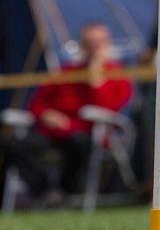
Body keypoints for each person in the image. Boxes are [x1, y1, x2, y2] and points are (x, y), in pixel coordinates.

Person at [0, 22, 132, 204]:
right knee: (13, 144)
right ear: (82, 45)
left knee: (77, 144)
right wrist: (46, 114)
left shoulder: (117, 75)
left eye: (99, 43)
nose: (94, 48)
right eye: (89, 43)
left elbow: (109, 109)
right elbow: (36, 104)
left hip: (88, 135)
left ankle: (66, 193)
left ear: (108, 44)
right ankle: (45, 191)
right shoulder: (67, 72)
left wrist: (96, 79)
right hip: (54, 133)